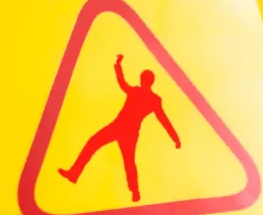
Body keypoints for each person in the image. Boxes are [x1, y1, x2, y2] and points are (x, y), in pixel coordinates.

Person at [59, 54, 181, 203]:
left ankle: (134, 190)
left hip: (122, 128)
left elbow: (123, 83)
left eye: (143, 78)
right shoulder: (153, 99)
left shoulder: (141, 93)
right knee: (108, 151)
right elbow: (164, 120)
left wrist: (118, 65)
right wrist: (175, 138)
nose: (141, 80)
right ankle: (75, 174)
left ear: (146, 81)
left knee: (120, 158)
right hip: (124, 129)